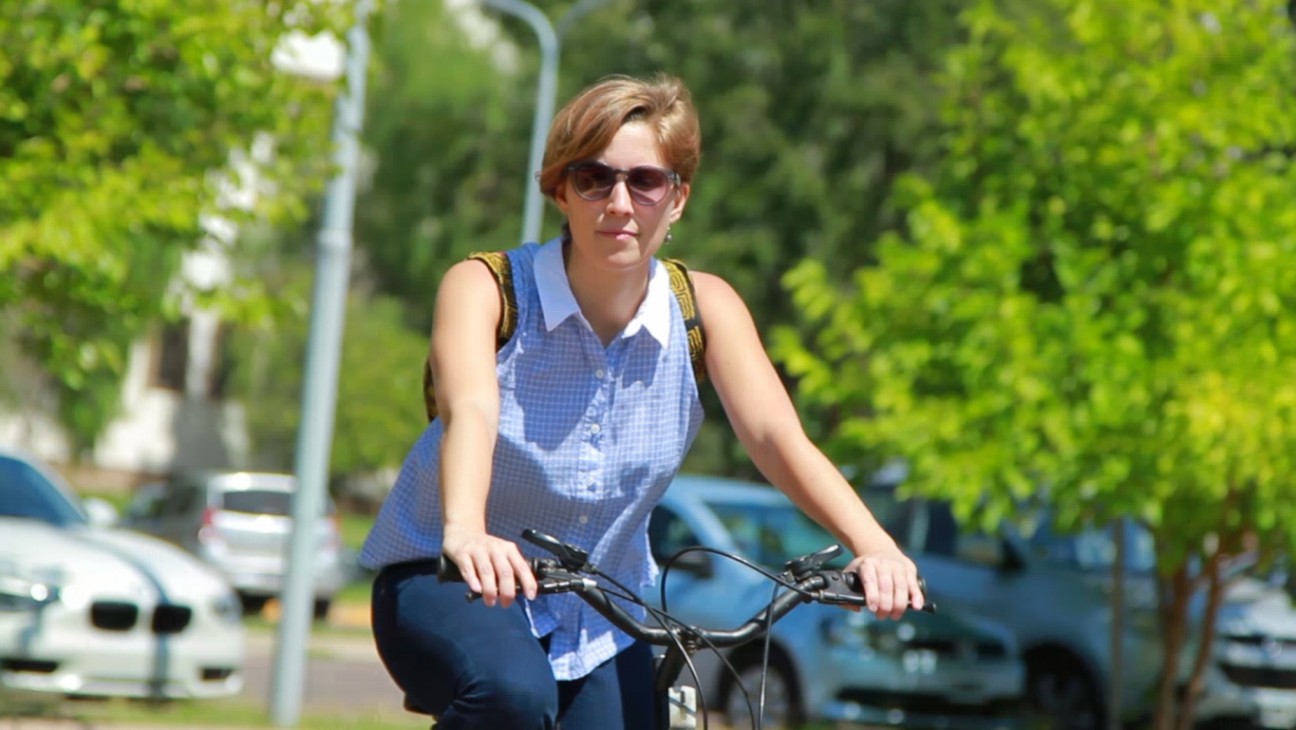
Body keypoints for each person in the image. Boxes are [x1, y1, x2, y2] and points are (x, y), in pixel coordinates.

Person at [359, 72, 923, 730]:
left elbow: (777, 438)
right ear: (560, 191)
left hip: (602, 611)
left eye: (645, 181)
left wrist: (875, 546)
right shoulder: (487, 288)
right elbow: (471, 410)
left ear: (677, 198)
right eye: (594, 178)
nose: (619, 203)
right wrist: (466, 531)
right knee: (513, 699)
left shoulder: (703, 309)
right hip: (447, 574)